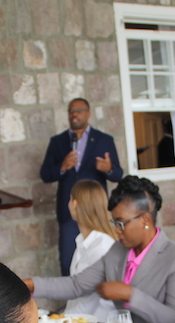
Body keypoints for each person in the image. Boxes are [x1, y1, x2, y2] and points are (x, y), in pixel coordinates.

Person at [26, 175, 175, 323]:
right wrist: (31, 285)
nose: (116, 230)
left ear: (145, 220)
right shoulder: (118, 251)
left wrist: (130, 295)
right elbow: (76, 285)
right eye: (114, 223)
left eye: (121, 223)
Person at [40, 98, 123, 276]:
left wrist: (109, 169)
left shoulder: (104, 140)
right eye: (71, 111)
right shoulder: (58, 142)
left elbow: (118, 175)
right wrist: (62, 167)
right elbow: (45, 174)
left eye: (78, 110)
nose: (74, 114)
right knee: (68, 260)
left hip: (96, 211)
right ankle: (71, 294)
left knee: (100, 257)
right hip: (70, 210)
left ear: (88, 113)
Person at [64, 180, 118, 322]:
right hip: (82, 322)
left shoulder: (101, 247)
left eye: (70, 199)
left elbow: (88, 302)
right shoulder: (82, 241)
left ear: (74, 204)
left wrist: (63, 322)